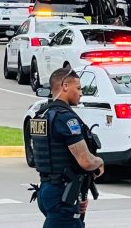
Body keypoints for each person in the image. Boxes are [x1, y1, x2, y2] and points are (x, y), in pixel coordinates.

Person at [30, 68, 105, 227]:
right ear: (65, 86)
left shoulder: (41, 115)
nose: (81, 93)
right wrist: (99, 161)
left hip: (49, 190)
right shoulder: (65, 118)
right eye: (78, 88)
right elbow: (85, 161)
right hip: (61, 195)